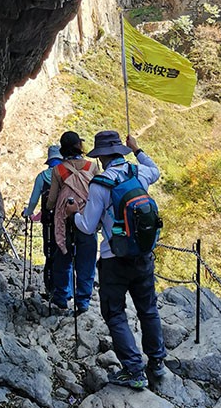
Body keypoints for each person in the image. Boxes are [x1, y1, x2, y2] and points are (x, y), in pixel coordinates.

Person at [66, 130, 166, 390]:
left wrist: (74, 213)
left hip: (114, 258)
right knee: (148, 309)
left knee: (115, 313)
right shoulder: (139, 173)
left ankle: (134, 369)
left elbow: (88, 226)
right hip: (143, 256)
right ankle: (157, 362)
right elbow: (154, 169)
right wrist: (138, 149)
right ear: (120, 151)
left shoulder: (100, 184)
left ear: (101, 157)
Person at [46, 131, 98, 313]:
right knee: (87, 262)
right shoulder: (92, 167)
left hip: (65, 221)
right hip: (87, 220)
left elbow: (52, 200)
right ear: (79, 146)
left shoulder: (58, 170)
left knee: (63, 259)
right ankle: (83, 301)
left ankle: (61, 296)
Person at [22, 144, 62, 296]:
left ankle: (50, 288)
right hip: (66, 221)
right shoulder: (67, 175)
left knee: (50, 253)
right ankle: (65, 290)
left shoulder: (42, 177)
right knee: (65, 254)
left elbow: (33, 201)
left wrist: (28, 213)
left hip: (49, 221)